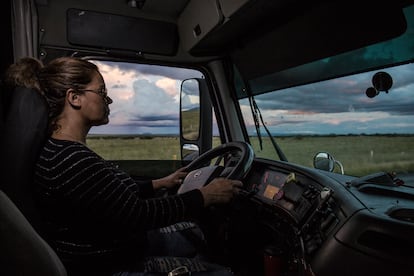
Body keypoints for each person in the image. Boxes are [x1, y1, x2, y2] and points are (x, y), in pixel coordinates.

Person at [9, 56, 242, 275]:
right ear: (74, 98)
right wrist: (205, 195)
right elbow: (138, 215)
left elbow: (106, 197)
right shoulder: (73, 160)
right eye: (101, 91)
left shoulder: (62, 150)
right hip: (113, 264)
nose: (108, 99)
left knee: (195, 230)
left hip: (117, 247)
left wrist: (157, 183)